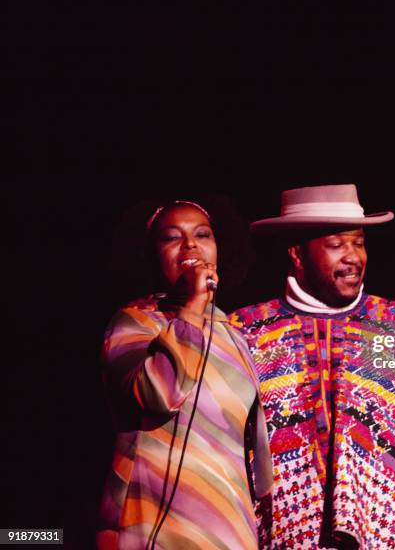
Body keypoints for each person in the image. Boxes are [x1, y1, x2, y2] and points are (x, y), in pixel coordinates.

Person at [229, 184, 395, 549]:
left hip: (394, 535)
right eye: (336, 244)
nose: (353, 257)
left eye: (358, 242)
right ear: (296, 254)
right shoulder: (244, 333)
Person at [97, 200, 272, 550]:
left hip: (227, 522)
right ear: (151, 255)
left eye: (202, 235)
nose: (190, 245)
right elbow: (159, 394)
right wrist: (192, 308)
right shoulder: (135, 322)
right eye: (171, 238)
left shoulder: (233, 334)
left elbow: (253, 439)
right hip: (155, 521)